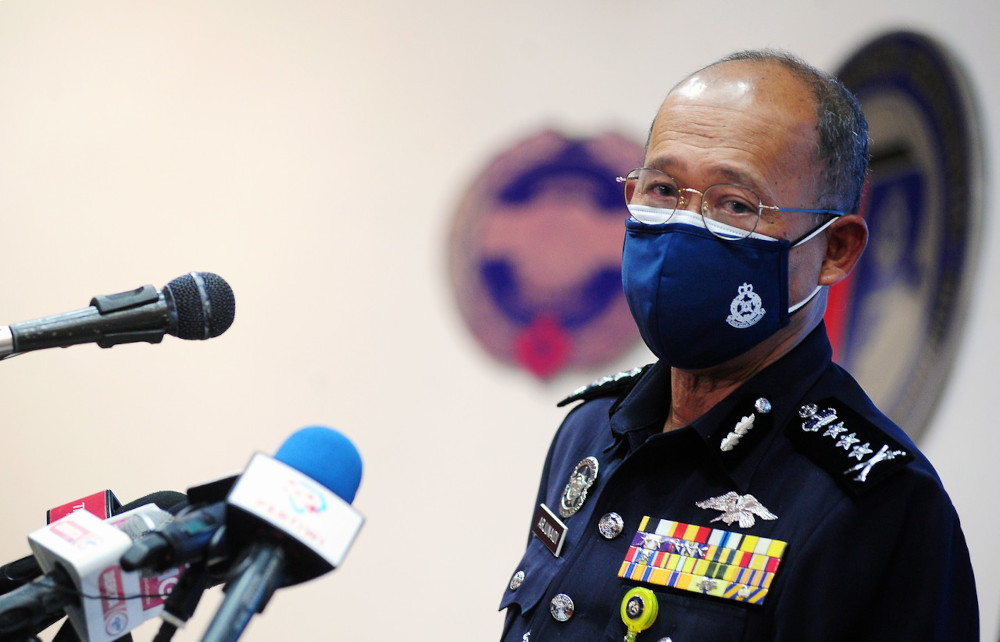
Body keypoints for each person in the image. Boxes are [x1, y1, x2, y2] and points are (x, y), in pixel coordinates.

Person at [499, 50, 978, 641]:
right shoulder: (592, 430)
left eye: (735, 204)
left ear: (835, 251)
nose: (681, 226)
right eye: (663, 188)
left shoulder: (880, 505)